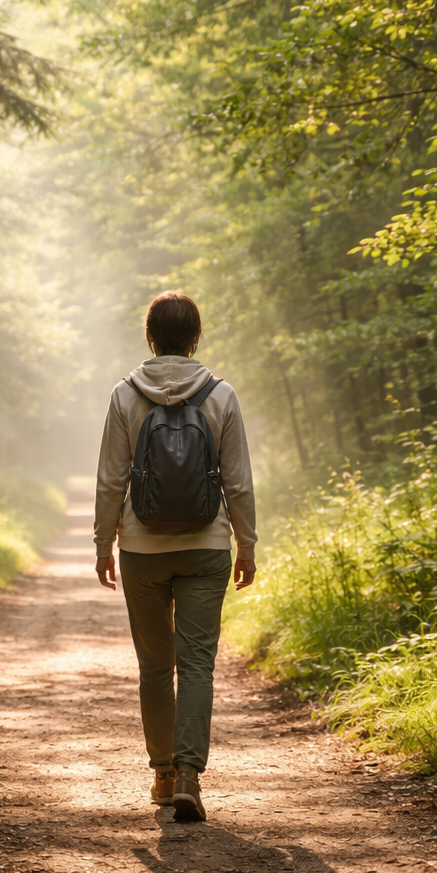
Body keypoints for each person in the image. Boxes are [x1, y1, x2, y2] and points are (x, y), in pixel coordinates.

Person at [93, 290, 257, 822]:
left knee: (155, 667)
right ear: (195, 337)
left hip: (141, 548)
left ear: (149, 336)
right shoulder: (221, 395)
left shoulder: (124, 395)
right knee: (197, 664)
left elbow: (111, 480)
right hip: (207, 545)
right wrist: (247, 545)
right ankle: (190, 774)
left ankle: (162, 774)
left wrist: (103, 544)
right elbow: (239, 483)